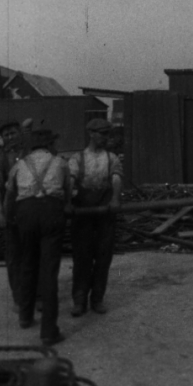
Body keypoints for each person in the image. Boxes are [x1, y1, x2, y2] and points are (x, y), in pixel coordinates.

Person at [5, 128, 71, 346]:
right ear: (50, 145)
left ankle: (25, 316)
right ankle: (48, 331)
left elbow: (10, 195)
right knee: (48, 271)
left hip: (26, 213)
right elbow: (68, 193)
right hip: (52, 213)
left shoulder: (19, 164)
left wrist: (8, 218)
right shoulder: (60, 163)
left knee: (28, 264)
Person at [68, 118, 123, 317]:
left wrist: (115, 200)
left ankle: (97, 299)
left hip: (104, 212)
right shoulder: (77, 158)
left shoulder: (111, 158)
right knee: (82, 258)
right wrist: (68, 202)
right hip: (83, 213)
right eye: (102, 133)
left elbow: (116, 178)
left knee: (103, 257)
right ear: (91, 134)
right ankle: (79, 300)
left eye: (107, 134)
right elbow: (71, 180)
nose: (106, 137)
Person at [0, 119, 24, 311]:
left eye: (13, 133)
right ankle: (19, 298)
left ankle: (40, 294)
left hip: (33, 211)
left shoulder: (31, 153)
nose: (10, 137)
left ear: (20, 133)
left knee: (38, 254)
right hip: (12, 213)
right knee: (14, 257)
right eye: (6, 135)